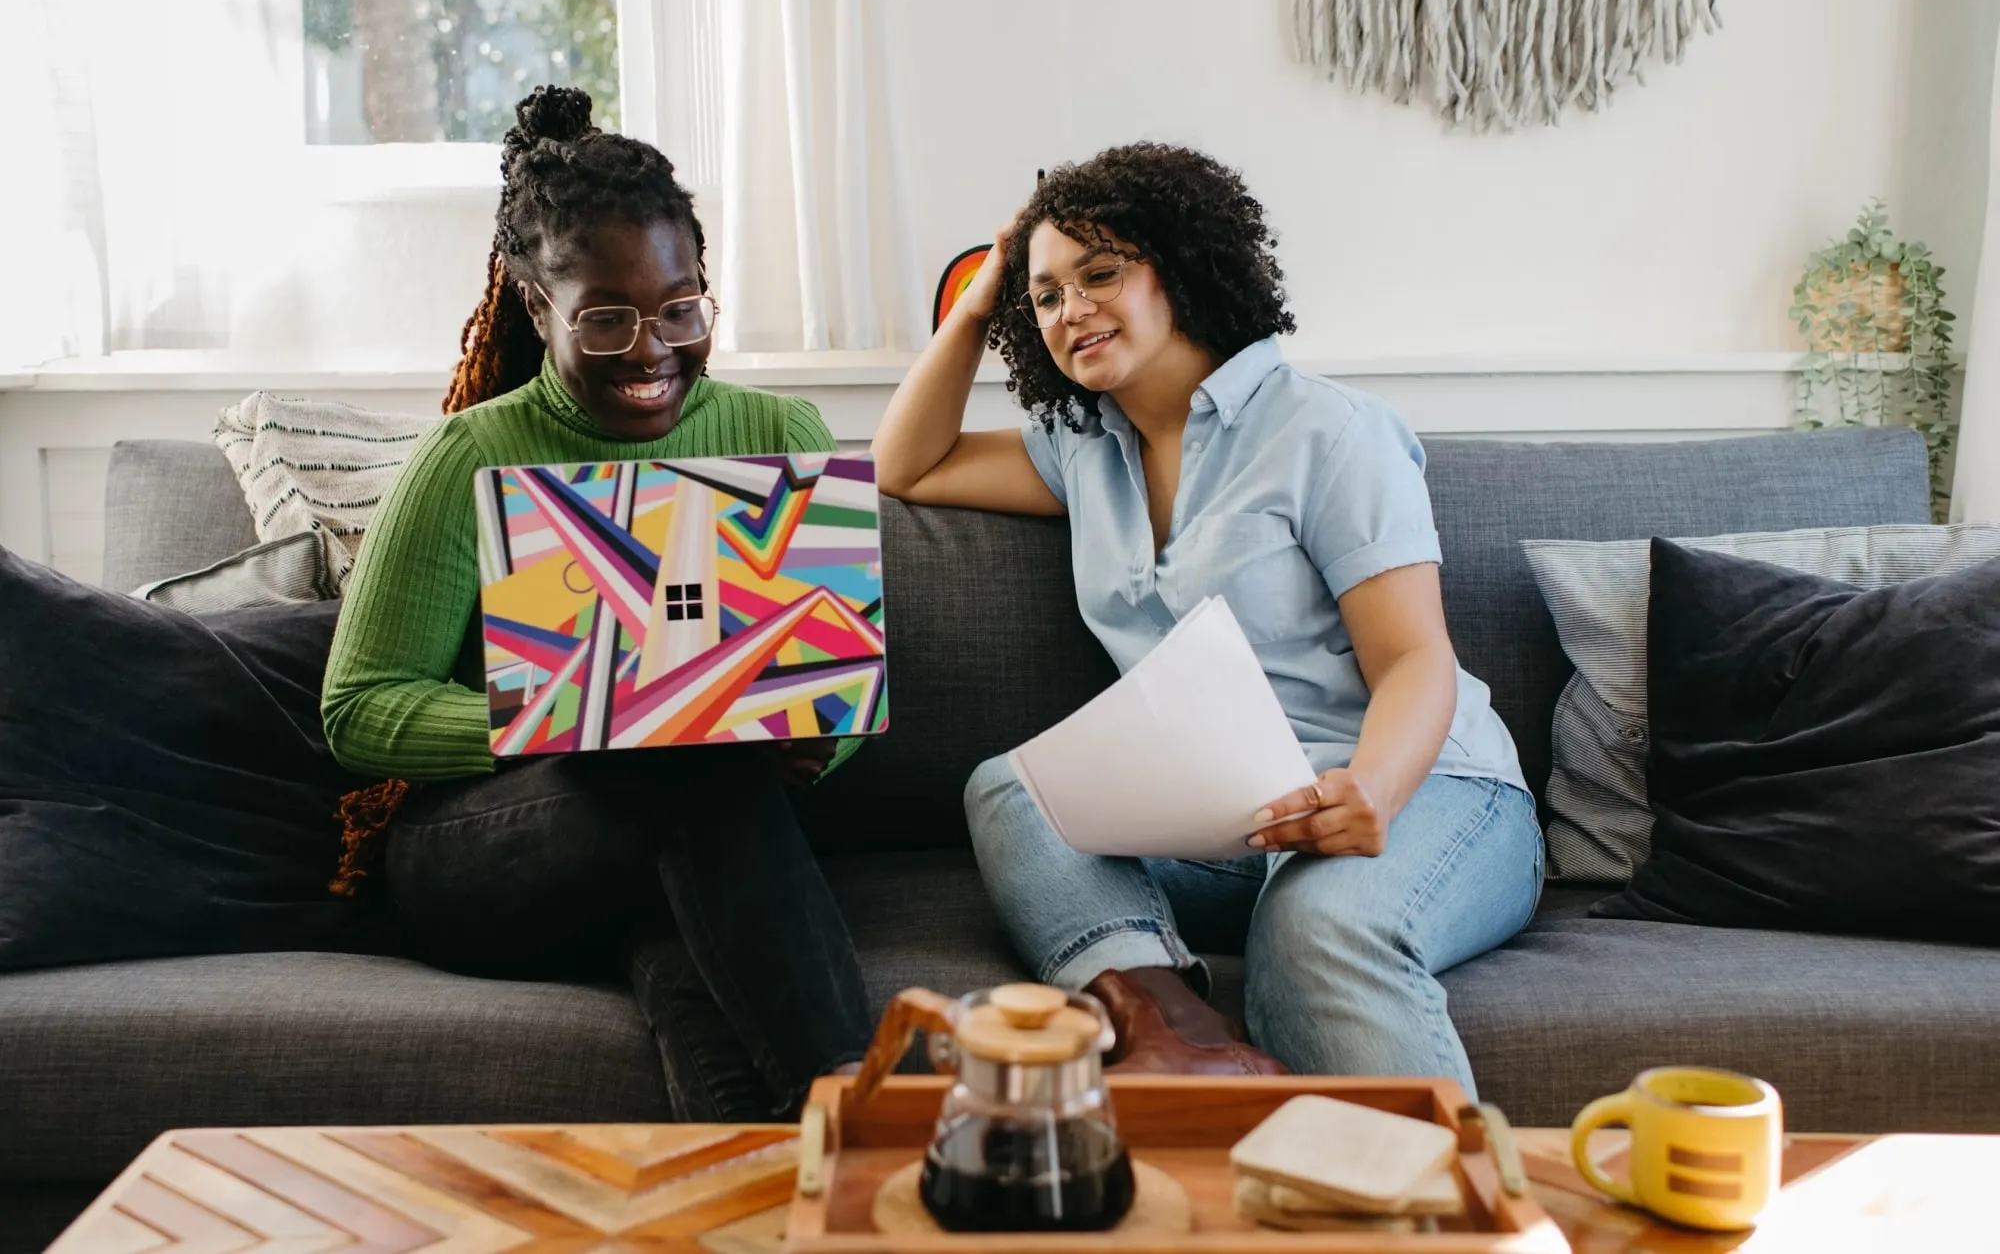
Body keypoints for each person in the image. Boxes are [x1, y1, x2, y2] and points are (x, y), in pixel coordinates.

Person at [872, 144, 1542, 1092]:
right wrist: (982, 300)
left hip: (1427, 793)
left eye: (1101, 272)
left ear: (1182, 267)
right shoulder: (1083, 451)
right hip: (1231, 812)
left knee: (1318, 925)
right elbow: (909, 465)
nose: (1072, 310)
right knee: (1013, 791)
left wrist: (1373, 794)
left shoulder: (1328, 432)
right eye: (1048, 296)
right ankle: (1176, 1043)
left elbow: (1414, 660)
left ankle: (1445, 1223)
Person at [322, 86, 873, 1120]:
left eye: (680, 307)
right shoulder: (470, 455)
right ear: (540, 311)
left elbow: (834, 670)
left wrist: (813, 739)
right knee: (680, 759)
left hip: (705, 842)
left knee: (687, 927)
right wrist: (580, 719)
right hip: (487, 854)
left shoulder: (779, 428)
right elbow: (359, 708)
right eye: (607, 317)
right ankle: (861, 1111)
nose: (652, 347)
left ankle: (773, 1191)